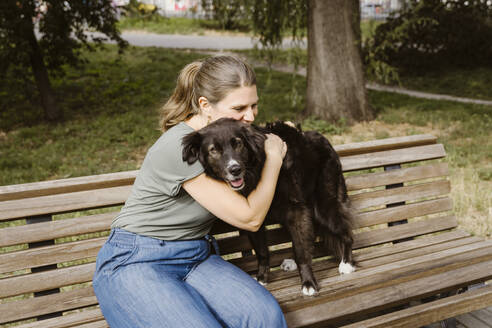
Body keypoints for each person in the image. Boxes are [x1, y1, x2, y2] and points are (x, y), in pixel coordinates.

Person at [92, 55, 288, 328]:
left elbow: (270, 141)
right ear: (205, 105)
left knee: (264, 318)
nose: (251, 116)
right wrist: (274, 158)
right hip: (137, 260)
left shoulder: (231, 139)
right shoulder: (183, 147)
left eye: (254, 105)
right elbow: (250, 218)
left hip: (196, 256)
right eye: (240, 107)